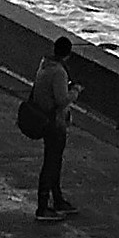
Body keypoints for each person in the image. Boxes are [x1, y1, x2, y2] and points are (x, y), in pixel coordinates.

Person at [31, 36, 83, 222]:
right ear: (68, 54)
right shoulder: (59, 72)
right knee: (52, 162)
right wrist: (75, 92)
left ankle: (57, 199)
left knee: (53, 161)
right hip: (55, 123)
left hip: (45, 119)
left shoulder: (44, 64)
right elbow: (61, 100)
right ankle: (43, 207)